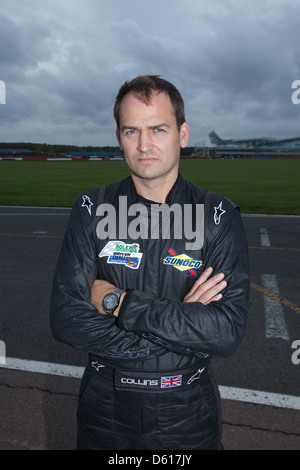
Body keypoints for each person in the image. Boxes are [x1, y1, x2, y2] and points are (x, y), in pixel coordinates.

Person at [50, 75, 250, 450]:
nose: (144, 144)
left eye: (158, 129)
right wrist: (180, 328)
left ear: (183, 133)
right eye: (131, 131)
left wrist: (119, 303)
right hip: (105, 412)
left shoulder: (218, 216)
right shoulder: (91, 209)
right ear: (119, 136)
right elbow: (65, 319)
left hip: (188, 413)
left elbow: (225, 331)